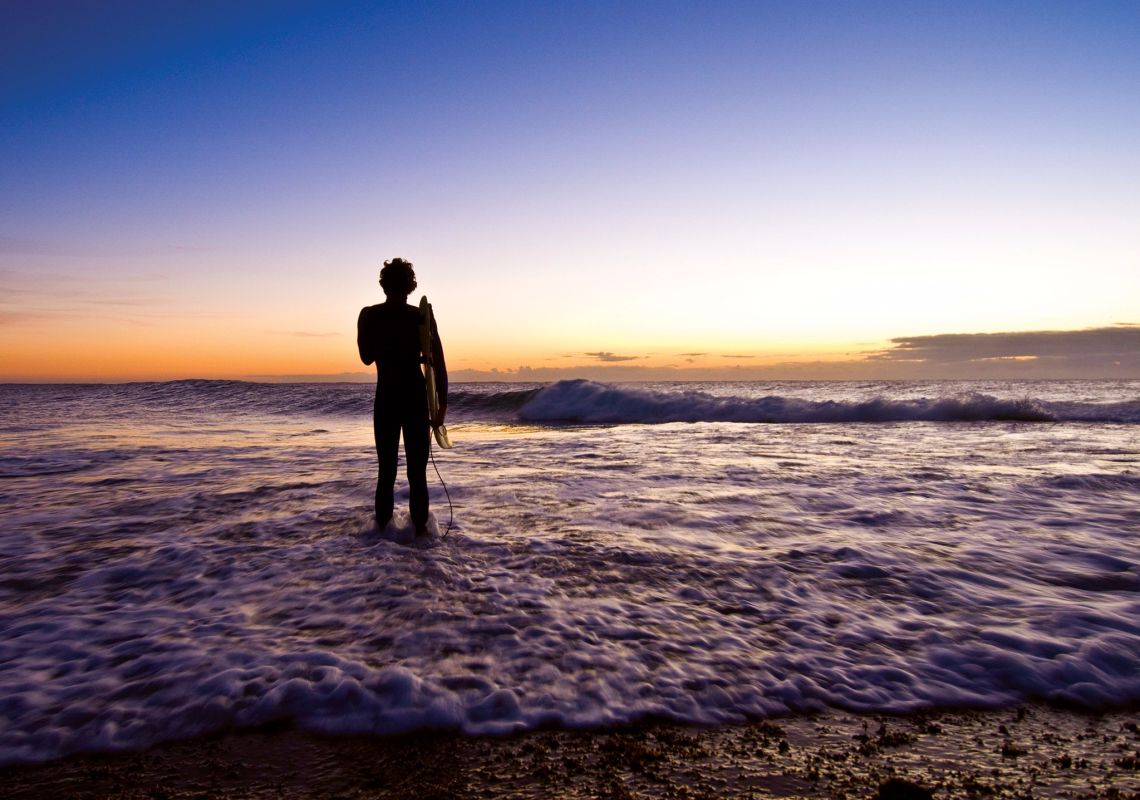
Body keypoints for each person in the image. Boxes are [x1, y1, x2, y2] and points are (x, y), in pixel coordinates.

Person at [357, 258, 447, 536]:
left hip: (386, 397)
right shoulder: (421, 316)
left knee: (386, 472)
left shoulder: (369, 315)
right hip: (415, 398)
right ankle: (421, 539)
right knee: (417, 474)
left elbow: (366, 357)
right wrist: (442, 406)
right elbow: (438, 363)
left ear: (383, 284)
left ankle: (381, 539)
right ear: (411, 286)